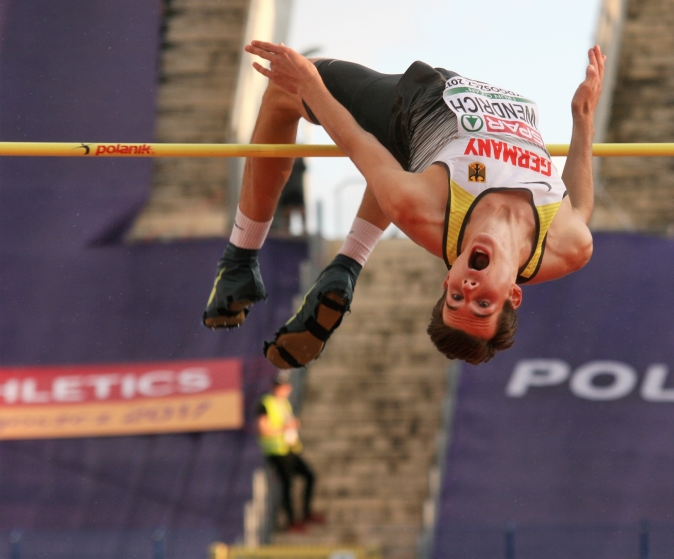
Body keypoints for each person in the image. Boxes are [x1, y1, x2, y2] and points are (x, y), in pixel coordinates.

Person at [203, 42, 606, 366]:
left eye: (455, 298)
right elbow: (578, 210)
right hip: (496, 113)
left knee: (282, 91)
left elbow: (359, 144)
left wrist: (308, 84)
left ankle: (240, 259)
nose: (468, 288)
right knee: (404, 169)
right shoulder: (568, 247)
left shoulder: (423, 209)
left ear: (446, 282)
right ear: (513, 295)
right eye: (482, 303)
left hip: (423, 106)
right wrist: (582, 117)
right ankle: (345, 266)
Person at [257, 372, 322, 531]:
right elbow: (263, 429)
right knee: (288, 485)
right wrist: (284, 428)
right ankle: (292, 520)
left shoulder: (285, 404)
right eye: (279, 387)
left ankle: (305, 513)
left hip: (290, 449)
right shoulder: (266, 403)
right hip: (277, 451)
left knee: (309, 476)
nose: (282, 390)